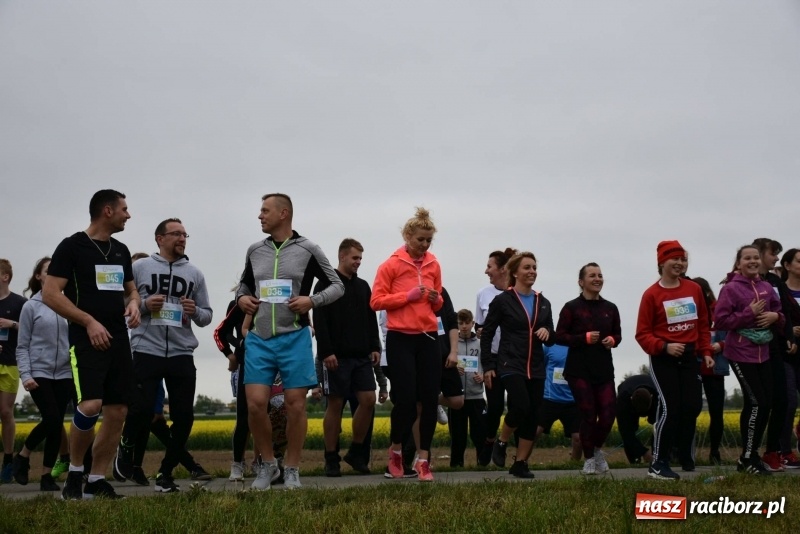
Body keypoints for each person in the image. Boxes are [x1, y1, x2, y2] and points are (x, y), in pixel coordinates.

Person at [236, 193, 344, 490]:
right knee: (255, 404)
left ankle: (293, 468)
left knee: (295, 406)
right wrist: (243, 298)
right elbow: (244, 286)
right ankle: (268, 465)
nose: (260, 216)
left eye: (265, 211)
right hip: (259, 338)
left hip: (295, 336)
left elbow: (337, 286)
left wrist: (312, 300)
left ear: (284, 214)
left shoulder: (308, 249)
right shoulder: (255, 250)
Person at [43, 189, 141, 499]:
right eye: (124, 209)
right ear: (107, 211)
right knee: (90, 405)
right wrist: (88, 321)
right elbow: (50, 293)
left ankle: (97, 479)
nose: (129, 214)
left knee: (118, 410)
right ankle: (74, 474)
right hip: (85, 338)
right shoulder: (72, 247)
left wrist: (135, 304)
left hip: (118, 339)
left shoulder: (121, 250)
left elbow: (131, 291)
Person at [370, 207, 444, 482]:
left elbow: (438, 305)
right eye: (419, 240)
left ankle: (424, 459)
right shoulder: (390, 264)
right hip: (400, 337)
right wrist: (407, 296)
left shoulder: (433, 263)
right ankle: (396, 453)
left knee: (429, 399)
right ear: (407, 236)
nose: (424, 245)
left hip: (427, 337)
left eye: (428, 241)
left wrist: (436, 300)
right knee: (407, 401)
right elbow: (376, 301)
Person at [635, 240, 713, 480]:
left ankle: (683, 455)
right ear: (662, 262)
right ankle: (658, 463)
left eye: (682, 259)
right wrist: (664, 346)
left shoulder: (693, 289)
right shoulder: (651, 294)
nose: (679, 263)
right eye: (674, 259)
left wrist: (706, 352)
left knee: (691, 407)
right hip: (664, 358)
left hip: (690, 356)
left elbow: (702, 324)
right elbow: (642, 334)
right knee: (670, 409)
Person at [481, 251, 555, 479]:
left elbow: (552, 335)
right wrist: (489, 365)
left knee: (532, 416)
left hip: (536, 366)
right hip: (510, 362)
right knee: (520, 406)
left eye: (534, 267)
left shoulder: (543, 302)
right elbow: (487, 333)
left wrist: (547, 332)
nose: (532, 271)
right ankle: (502, 441)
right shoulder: (503, 300)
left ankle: (520, 463)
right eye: (527, 268)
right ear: (515, 272)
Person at [715, 244, 785, 475]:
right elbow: (721, 322)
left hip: (763, 352)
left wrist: (776, 316)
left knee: (764, 404)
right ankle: (747, 458)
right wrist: (750, 313)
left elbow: (780, 313)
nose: (753, 261)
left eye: (756, 258)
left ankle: (750, 455)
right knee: (758, 403)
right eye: (747, 258)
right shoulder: (731, 289)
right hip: (740, 352)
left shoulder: (766, 286)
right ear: (738, 263)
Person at [313, 238, 380, 477]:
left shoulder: (363, 286)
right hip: (336, 357)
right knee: (335, 404)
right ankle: (331, 459)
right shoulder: (325, 284)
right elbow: (319, 321)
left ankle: (356, 452)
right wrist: (327, 352)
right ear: (342, 257)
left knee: (368, 399)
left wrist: (375, 346)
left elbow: (371, 318)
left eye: (360, 258)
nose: (358, 262)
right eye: (355, 258)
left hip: (361, 356)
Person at [11, 257, 72, 491]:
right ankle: (23, 455)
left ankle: (46, 476)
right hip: (39, 371)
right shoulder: (31, 306)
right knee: (53, 419)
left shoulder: (69, 303)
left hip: (65, 372)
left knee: (55, 424)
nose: (53, 274)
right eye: (48, 271)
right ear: (39, 277)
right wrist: (25, 374)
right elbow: (22, 344)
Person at [556, 262, 621, 475]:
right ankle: (589, 459)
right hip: (578, 370)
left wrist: (613, 339)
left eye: (600, 275)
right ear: (581, 282)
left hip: (603, 369)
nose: (598, 279)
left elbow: (618, 334)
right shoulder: (571, 307)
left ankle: (596, 449)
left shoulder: (610, 308)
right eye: (592, 275)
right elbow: (560, 336)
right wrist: (582, 338)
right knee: (588, 414)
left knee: (609, 413)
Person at [750, 238, 797, 471]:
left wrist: (788, 335)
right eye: (773, 253)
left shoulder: (776, 281)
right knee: (761, 402)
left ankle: (772, 452)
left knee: (782, 400)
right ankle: (750, 454)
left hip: (776, 347)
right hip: (751, 349)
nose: (776, 258)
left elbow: (785, 311)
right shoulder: (740, 281)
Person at [474, 248, 515, 466]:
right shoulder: (483, 294)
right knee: (496, 406)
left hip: (515, 358)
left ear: (503, 269)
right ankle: (489, 441)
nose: (486, 271)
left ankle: (503, 442)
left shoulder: (519, 292)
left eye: (489, 266)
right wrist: (480, 330)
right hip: (493, 358)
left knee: (519, 405)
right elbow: (479, 325)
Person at [689, 276, 729, 466]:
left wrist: (721, 345)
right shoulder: (690, 311)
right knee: (691, 408)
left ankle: (715, 451)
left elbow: (731, 334)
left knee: (716, 412)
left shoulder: (718, 310)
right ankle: (685, 451)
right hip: (695, 364)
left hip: (716, 366)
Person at [449, 309, 487, 467]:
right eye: (460, 323)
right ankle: (456, 466)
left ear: (473, 323)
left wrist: (483, 375)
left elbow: (486, 363)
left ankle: (482, 464)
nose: (464, 326)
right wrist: (454, 369)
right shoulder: (452, 344)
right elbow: (445, 364)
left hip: (476, 397)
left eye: (467, 323)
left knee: (479, 435)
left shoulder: (480, 343)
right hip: (457, 398)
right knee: (458, 436)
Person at [0, 258, 26, 483]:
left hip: (10, 362)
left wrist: (12, 324)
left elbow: (29, 329)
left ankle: (8, 458)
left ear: (5, 276)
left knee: (6, 412)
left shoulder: (19, 303)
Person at [533, 343, 581, 462]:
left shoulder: (579, 346)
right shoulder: (549, 346)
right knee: (534, 432)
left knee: (578, 438)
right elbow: (541, 367)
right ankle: (521, 462)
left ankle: (574, 467)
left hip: (572, 401)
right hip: (549, 399)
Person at [779, 248, 800, 465]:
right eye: (799, 261)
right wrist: (789, 330)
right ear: (787, 265)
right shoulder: (780, 290)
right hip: (787, 352)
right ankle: (783, 451)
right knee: (789, 401)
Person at [615, 374, 658, 464]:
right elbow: (626, 433)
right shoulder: (623, 401)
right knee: (629, 429)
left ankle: (659, 457)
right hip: (628, 399)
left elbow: (661, 427)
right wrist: (644, 452)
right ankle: (634, 461)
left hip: (653, 397)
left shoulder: (658, 396)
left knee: (658, 426)